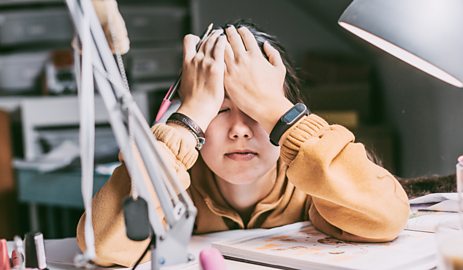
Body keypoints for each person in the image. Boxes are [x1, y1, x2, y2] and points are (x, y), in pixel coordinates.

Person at [76, 21, 410, 267]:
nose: (239, 130)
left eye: (256, 112)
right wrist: (186, 119)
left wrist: (281, 113)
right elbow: (107, 246)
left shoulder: (315, 177)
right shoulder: (175, 184)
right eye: (219, 110)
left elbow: (387, 218)